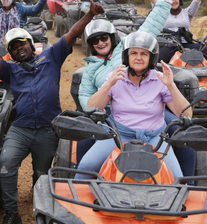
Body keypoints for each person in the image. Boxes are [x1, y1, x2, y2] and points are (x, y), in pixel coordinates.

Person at [0, 3, 104, 224]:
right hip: (21, 128)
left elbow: (72, 33)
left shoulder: (51, 57)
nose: (20, 48)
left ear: (31, 44)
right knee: (6, 164)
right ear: (11, 52)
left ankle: (38, 198)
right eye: (14, 47)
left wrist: (89, 14)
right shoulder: (11, 70)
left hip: (48, 129)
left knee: (42, 173)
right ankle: (12, 213)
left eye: (22, 44)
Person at [79, 32, 191, 179]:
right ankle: (76, 201)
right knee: (86, 166)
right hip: (118, 135)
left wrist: (171, 86)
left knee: (176, 177)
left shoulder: (160, 80)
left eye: (144, 54)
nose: (138, 57)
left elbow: (186, 115)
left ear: (151, 58)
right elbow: (91, 108)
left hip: (154, 137)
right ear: (127, 56)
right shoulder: (115, 76)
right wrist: (109, 84)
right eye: (134, 53)